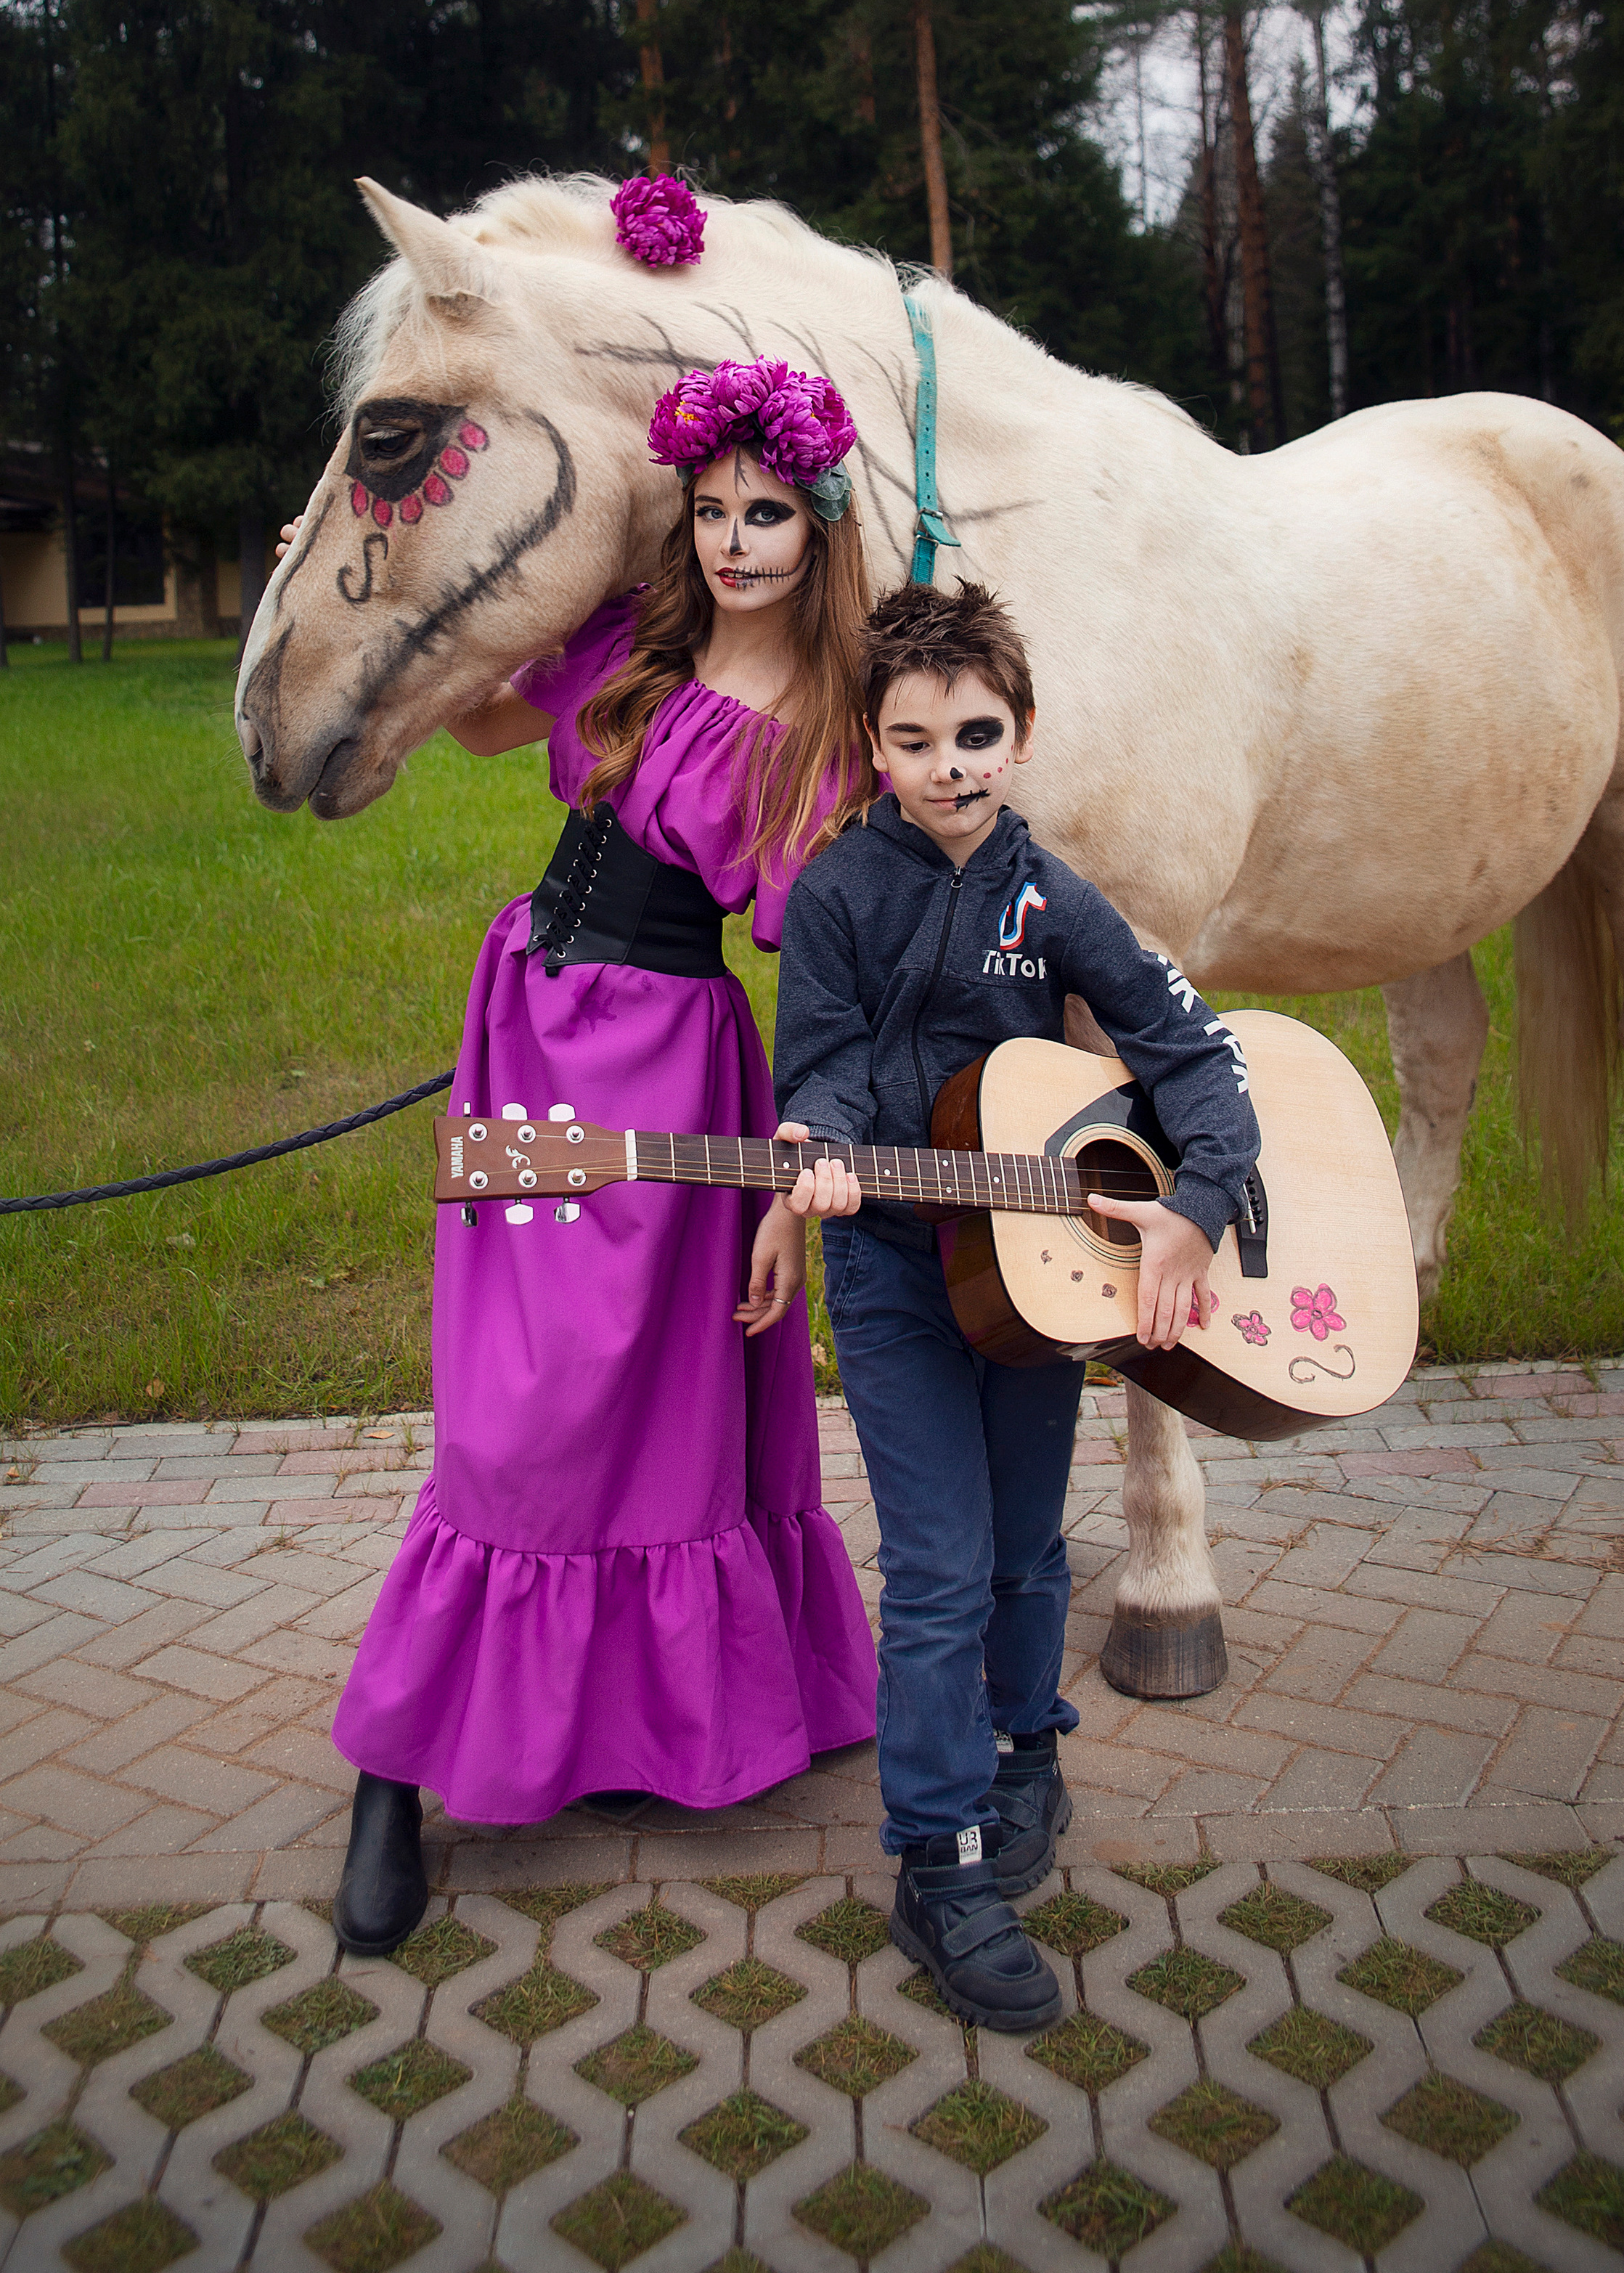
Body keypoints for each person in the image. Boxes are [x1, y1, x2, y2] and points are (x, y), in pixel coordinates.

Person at [322, 359, 881, 1953]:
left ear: (817, 525)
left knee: (619, 1403)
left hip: (667, 1075)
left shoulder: (825, 743)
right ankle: (395, 1765)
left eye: (765, 513)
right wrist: (413, 650)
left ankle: (625, 1719)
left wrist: (794, 1190)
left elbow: (830, 989)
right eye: (710, 513)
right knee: (505, 1409)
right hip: (523, 1027)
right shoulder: (635, 645)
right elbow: (492, 724)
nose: (733, 542)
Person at [770, 580, 1262, 2031]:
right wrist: (818, 1144)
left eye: (976, 734)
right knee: (936, 1565)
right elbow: (823, 1059)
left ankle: (1024, 1743)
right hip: (895, 1274)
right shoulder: (833, 895)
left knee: (1027, 1544)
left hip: (1035, 1273)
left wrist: (1194, 1200)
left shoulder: (1053, 898)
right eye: (914, 740)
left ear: (1021, 732)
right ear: (872, 744)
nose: (949, 766)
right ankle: (938, 1858)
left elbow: (1192, 1052)